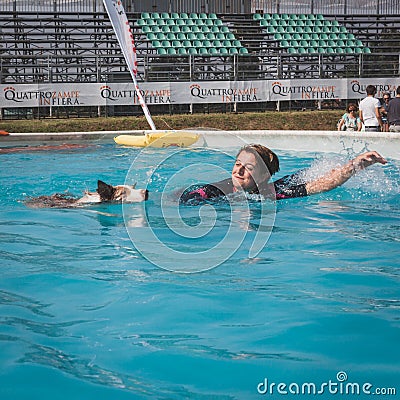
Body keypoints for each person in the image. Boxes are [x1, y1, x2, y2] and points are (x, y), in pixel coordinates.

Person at [179, 144, 387, 204]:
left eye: (248, 168)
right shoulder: (213, 192)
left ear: (262, 177)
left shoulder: (274, 192)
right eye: (237, 164)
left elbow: (321, 185)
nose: (238, 171)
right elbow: (180, 198)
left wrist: (354, 165)